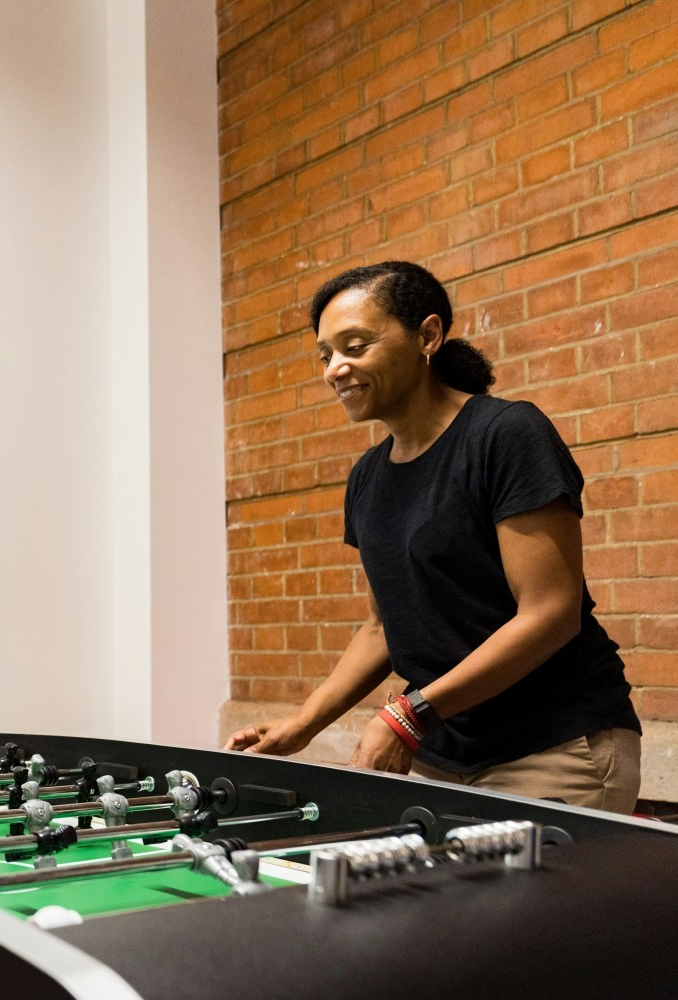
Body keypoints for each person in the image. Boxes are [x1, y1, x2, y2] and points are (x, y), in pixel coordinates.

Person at [224, 261, 641, 813]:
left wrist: (407, 714)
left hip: (552, 746)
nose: (335, 369)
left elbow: (550, 613)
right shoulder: (368, 478)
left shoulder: (505, 435)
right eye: (326, 355)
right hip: (439, 753)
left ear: (428, 335)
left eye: (355, 345)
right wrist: (302, 725)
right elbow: (381, 629)